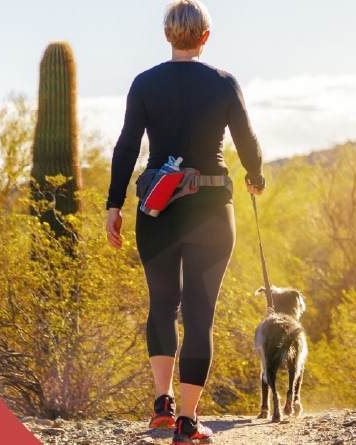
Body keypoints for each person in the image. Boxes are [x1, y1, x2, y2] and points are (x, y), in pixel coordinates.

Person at [104, 1, 265, 444]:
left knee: (161, 304)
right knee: (198, 315)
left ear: (167, 35)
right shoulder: (224, 83)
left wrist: (113, 205)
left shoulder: (144, 83)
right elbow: (247, 140)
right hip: (212, 208)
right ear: (206, 37)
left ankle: (161, 407)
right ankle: (189, 424)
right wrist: (255, 177)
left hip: (156, 209)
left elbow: (126, 147)